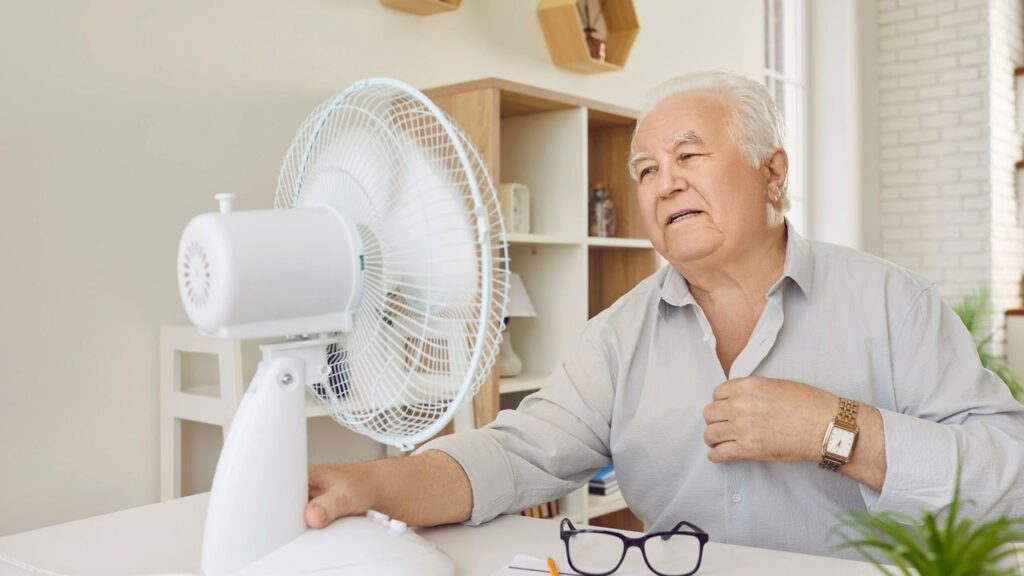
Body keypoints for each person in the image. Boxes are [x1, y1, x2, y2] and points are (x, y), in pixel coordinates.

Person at [305, 71, 1024, 559]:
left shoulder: (894, 303)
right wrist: (372, 485)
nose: (663, 182)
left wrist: (832, 430)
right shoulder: (618, 335)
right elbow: (517, 455)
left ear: (773, 173)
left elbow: (1008, 476)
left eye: (689, 156)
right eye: (645, 170)